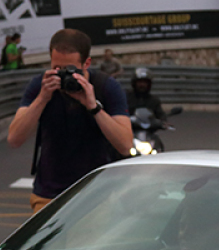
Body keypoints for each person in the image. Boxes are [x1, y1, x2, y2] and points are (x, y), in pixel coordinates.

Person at [7, 28, 131, 214]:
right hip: (49, 195)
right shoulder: (40, 85)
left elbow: (125, 145)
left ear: (87, 63)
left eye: (70, 70)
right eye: (57, 68)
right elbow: (14, 139)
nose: (63, 76)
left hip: (97, 195)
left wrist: (93, 106)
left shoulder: (106, 87)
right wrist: (42, 98)